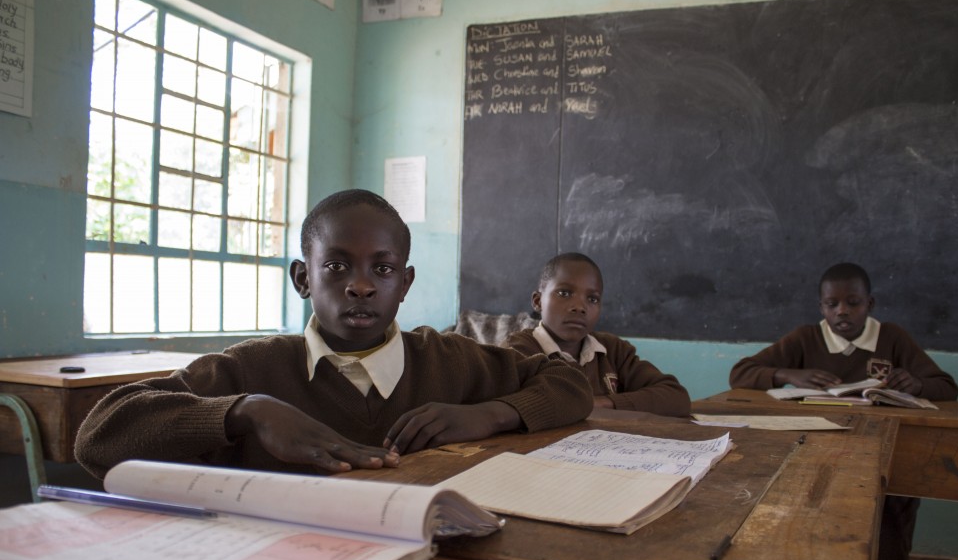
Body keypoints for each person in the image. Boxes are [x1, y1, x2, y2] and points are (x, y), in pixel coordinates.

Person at [75, 190, 593, 478]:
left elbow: (569, 385)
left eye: (383, 270)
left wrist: (487, 414)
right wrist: (246, 411)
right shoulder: (250, 370)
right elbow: (98, 435)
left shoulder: (449, 362)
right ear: (303, 278)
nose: (361, 286)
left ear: (406, 283)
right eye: (337, 267)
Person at [729, 261, 958, 560]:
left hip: (882, 456)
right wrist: (789, 374)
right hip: (813, 453)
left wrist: (917, 383)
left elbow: (947, 387)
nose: (842, 312)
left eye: (853, 302)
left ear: (870, 304)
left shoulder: (891, 337)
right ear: (821, 306)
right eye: (832, 304)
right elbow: (740, 373)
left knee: (887, 529)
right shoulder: (806, 338)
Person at [503, 252, 690, 417]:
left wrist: (598, 403)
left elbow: (676, 397)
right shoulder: (517, 352)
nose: (579, 307)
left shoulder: (613, 350)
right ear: (538, 301)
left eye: (592, 299)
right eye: (564, 293)